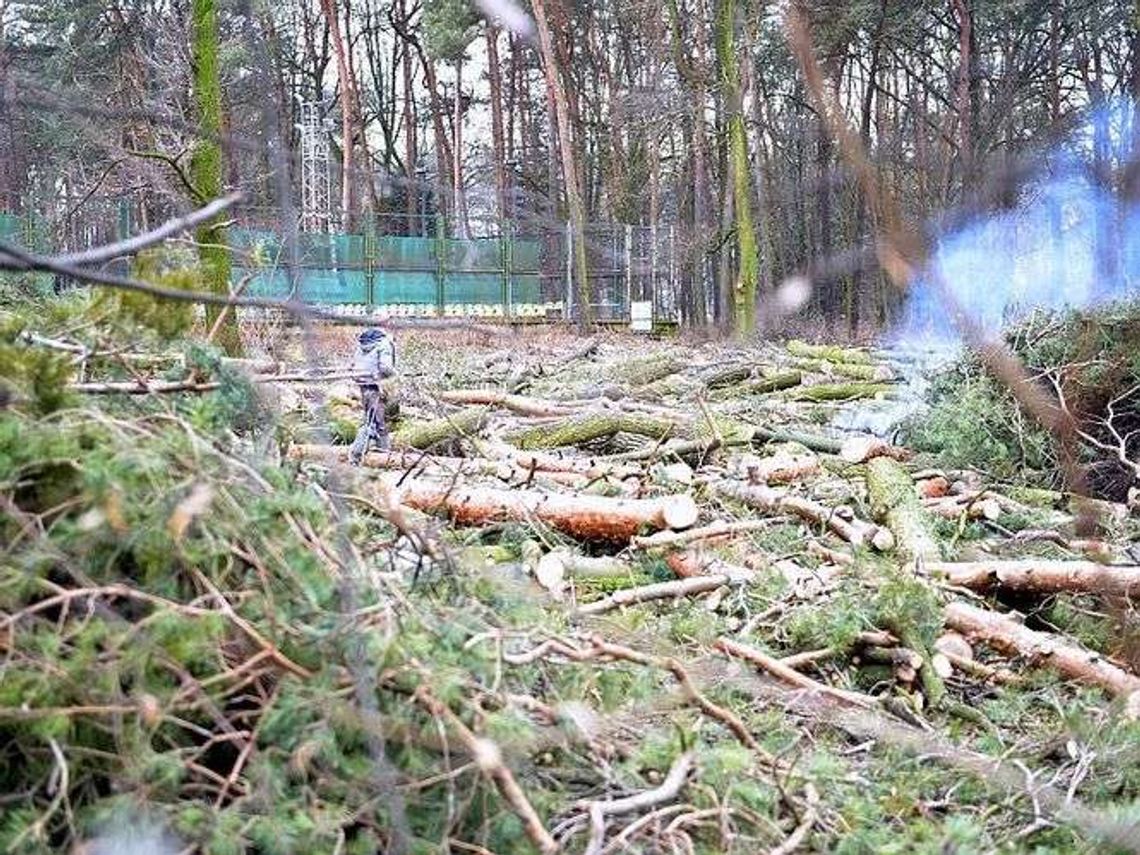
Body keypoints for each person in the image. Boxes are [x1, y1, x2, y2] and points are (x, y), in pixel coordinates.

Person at [349, 327, 396, 464]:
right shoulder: (385, 343)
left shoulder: (362, 344)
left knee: (370, 418)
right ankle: (380, 455)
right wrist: (395, 375)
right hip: (377, 386)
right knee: (377, 422)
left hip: (363, 384)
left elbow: (354, 365)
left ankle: (374, 451)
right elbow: (386, 367)